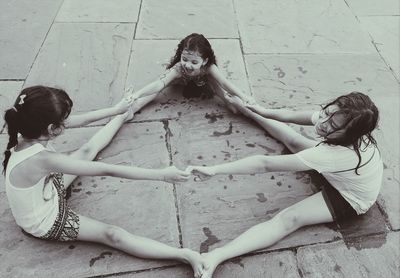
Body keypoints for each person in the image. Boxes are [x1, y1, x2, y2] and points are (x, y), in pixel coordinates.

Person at [3, 85, 203, 278]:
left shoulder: (27, 126)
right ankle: (184, 254)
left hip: (46, 189)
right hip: (45, 219)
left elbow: (79, 121)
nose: (68, 122)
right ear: (51, 128)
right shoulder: (43, 160)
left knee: (88, 150)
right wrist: (162, 175)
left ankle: (125, 114)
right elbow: (106, 170)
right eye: (63, 121)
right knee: (112, 234)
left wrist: (116, 109)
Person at [188, 92, 383, 277]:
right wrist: (260, 110)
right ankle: (248, 112)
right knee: (293, 140)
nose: (322, 122)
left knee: (289, 218)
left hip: (350, 197)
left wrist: (214, 170)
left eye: (332, 124)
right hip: (345, 171)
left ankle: (217, 256)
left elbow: (264, 164)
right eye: (325, 112)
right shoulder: (341, 120)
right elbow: (291, 115)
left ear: (349, 134)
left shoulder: (333, 153)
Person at [130, 33, 255, 113]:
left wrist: (244, 98)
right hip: (181, 80)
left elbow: (224, 82)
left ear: (205, 61)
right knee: (155, 91)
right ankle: (133, 107)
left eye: (194, 62)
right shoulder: (178, 69)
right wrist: (137, 94)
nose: (188, 65)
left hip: (204, 79)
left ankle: (250, 110)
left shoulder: (208, 68)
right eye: (184, 59)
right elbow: (159, 84)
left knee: (230, 103)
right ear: (181, 55)